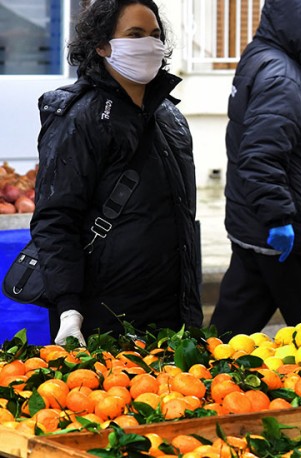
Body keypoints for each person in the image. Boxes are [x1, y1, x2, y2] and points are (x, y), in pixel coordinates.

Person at [32, 0, 202, 344]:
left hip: (174, 317)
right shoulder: (80, 118)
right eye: (135, 34)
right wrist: (68, 309)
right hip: (105, 321)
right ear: (102, 45)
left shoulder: (170, 116)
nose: (149, 44)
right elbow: (56, 219)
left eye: (155, 35)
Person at [210, 0, 301, 336]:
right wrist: (279, 219)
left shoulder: (270, 59)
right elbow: (260, 155)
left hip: (255, 224)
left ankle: (199, 375)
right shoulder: (282, 78)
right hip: (290, 230)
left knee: (228, 334)